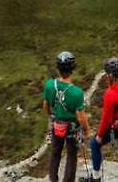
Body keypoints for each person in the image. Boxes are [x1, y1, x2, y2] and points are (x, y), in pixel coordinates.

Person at [88, 57, 118, 181]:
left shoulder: (111, 94)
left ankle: (96, 177)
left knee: (94, 144)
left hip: (115, 127)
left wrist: (100, 135)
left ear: (111, 75)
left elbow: (106, 119)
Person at [43, 51, 90, 182]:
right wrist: (87, 130)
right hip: (72, 128)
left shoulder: (49, 85)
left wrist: (51, 116)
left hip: (57, 124)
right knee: (71, 155)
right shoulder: (77, 92)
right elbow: (80, 116)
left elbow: (46, 104)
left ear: (58, 68)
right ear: (72, 69)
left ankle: (53, 179)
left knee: (55, 152)